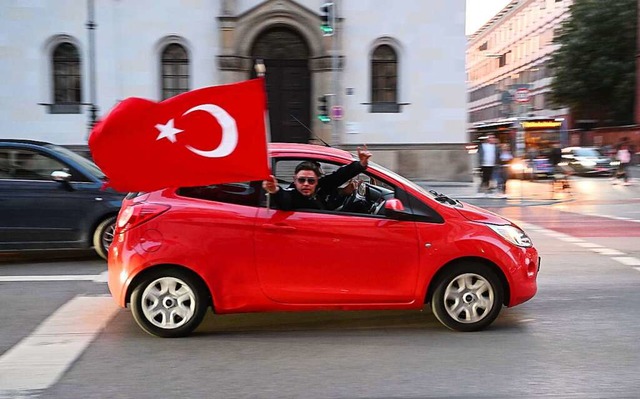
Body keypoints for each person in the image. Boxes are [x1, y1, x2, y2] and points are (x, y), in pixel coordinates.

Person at [262, 146, 372, 211]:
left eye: (311, 181)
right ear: (294, 180)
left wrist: (361, 164)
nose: (306, 184)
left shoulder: (322, 187)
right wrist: (274, 190)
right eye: (301, 180)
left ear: (317, 181)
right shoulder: (292, 194)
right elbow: (283, 199)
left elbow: (340, 175)